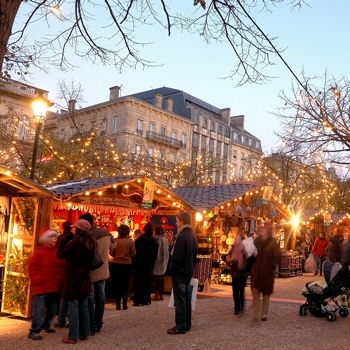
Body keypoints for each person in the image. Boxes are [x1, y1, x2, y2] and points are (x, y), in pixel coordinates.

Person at [56, 219, 96, 344]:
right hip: (84, 278)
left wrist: (66, 235)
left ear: (77, 229)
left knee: (72, 308)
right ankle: (84, 333)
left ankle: (73, 336)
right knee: (83, 307)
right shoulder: (91, 242)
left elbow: (60, 254)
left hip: (73, 278)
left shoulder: (74, 243)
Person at [79, 213, 115, 334]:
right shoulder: (105, 232)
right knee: (100, 297)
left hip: (92, 271)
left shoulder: (88, 235)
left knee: (90, 298)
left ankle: (92, 324)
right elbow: (113, 246)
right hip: (104, 269)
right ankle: (98, 322)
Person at [27, 229, 65, 340]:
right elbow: (32, 268)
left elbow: (61, 268)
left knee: (52, 308)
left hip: (54, 285)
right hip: (42, 286)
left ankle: (47, 324)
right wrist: (39, 279)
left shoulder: (56, 252)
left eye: (55, 237)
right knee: (39, 310)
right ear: (45, 239)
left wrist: (60, 278)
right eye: (51, 237)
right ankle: (34, 330)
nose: (53, 239)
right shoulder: (39, 252)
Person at [167, 212, 198, 335]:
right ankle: (187, 323)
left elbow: (177, 256)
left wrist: (173, 269)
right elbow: (195, 254)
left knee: (180, 300)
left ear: (181, 221)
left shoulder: (181, 236)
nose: (175, 223)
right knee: (186, 298)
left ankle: (180, 326)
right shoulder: (192, 236)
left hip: (180, 271)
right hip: (188, 270)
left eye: (177, 221)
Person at [250, 221, 281, 323]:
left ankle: (264, 314)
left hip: (267, 272)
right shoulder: (255, 242)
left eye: (263, 229)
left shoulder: (273, 242)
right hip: (256, 271)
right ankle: (255, 313)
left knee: (266, 295)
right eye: (260, 229)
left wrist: (272, 265)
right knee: (255, 293)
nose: (262, 231)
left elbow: (277, 256)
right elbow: (250, 255)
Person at [109, 224, 136, 310]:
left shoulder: (115, 241)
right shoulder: (130, 242)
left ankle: (117, 304)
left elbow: (112, 253)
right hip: (127, 265)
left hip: (116, 264)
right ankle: (124, 304)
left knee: (116, 283)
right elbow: (133, 254)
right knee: (125, 283)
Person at [133, 222, 158, 306]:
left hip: (140, 264)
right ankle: (146, 299)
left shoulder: (140, 240)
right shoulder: (154, 241)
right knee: (147, 281)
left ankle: (138, 300)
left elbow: (135, 253)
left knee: (139, 282)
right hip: (149, 264)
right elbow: (155, 254)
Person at [226, 231, 249, 315]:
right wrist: (229, 260)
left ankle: (241, 307)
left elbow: (247, 260)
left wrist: (239, 259)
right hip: (235, 272)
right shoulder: (232, 249)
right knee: (235, 291)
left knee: (241, 291)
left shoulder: (244, 249)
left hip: (242, 273)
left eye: (238, 238)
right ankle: (237, 308)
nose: (236, 240)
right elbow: (228, 259)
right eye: (236, 238)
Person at [56, 221, 73, 328]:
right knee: (68, 295)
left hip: (61, 266)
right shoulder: (72, 238)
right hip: (67, 266)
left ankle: (61, 317)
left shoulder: (60, 237)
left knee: (63, 294)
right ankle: (64, 318)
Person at [151, 224, 169, 301]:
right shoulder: (164, 239)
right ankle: (161, 294)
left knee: (157, 279)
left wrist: (154, 260)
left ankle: (157, 294)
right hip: (163, 261)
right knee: (161, 279)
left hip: (158, 262)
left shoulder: (158, 240)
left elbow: (157, 252)